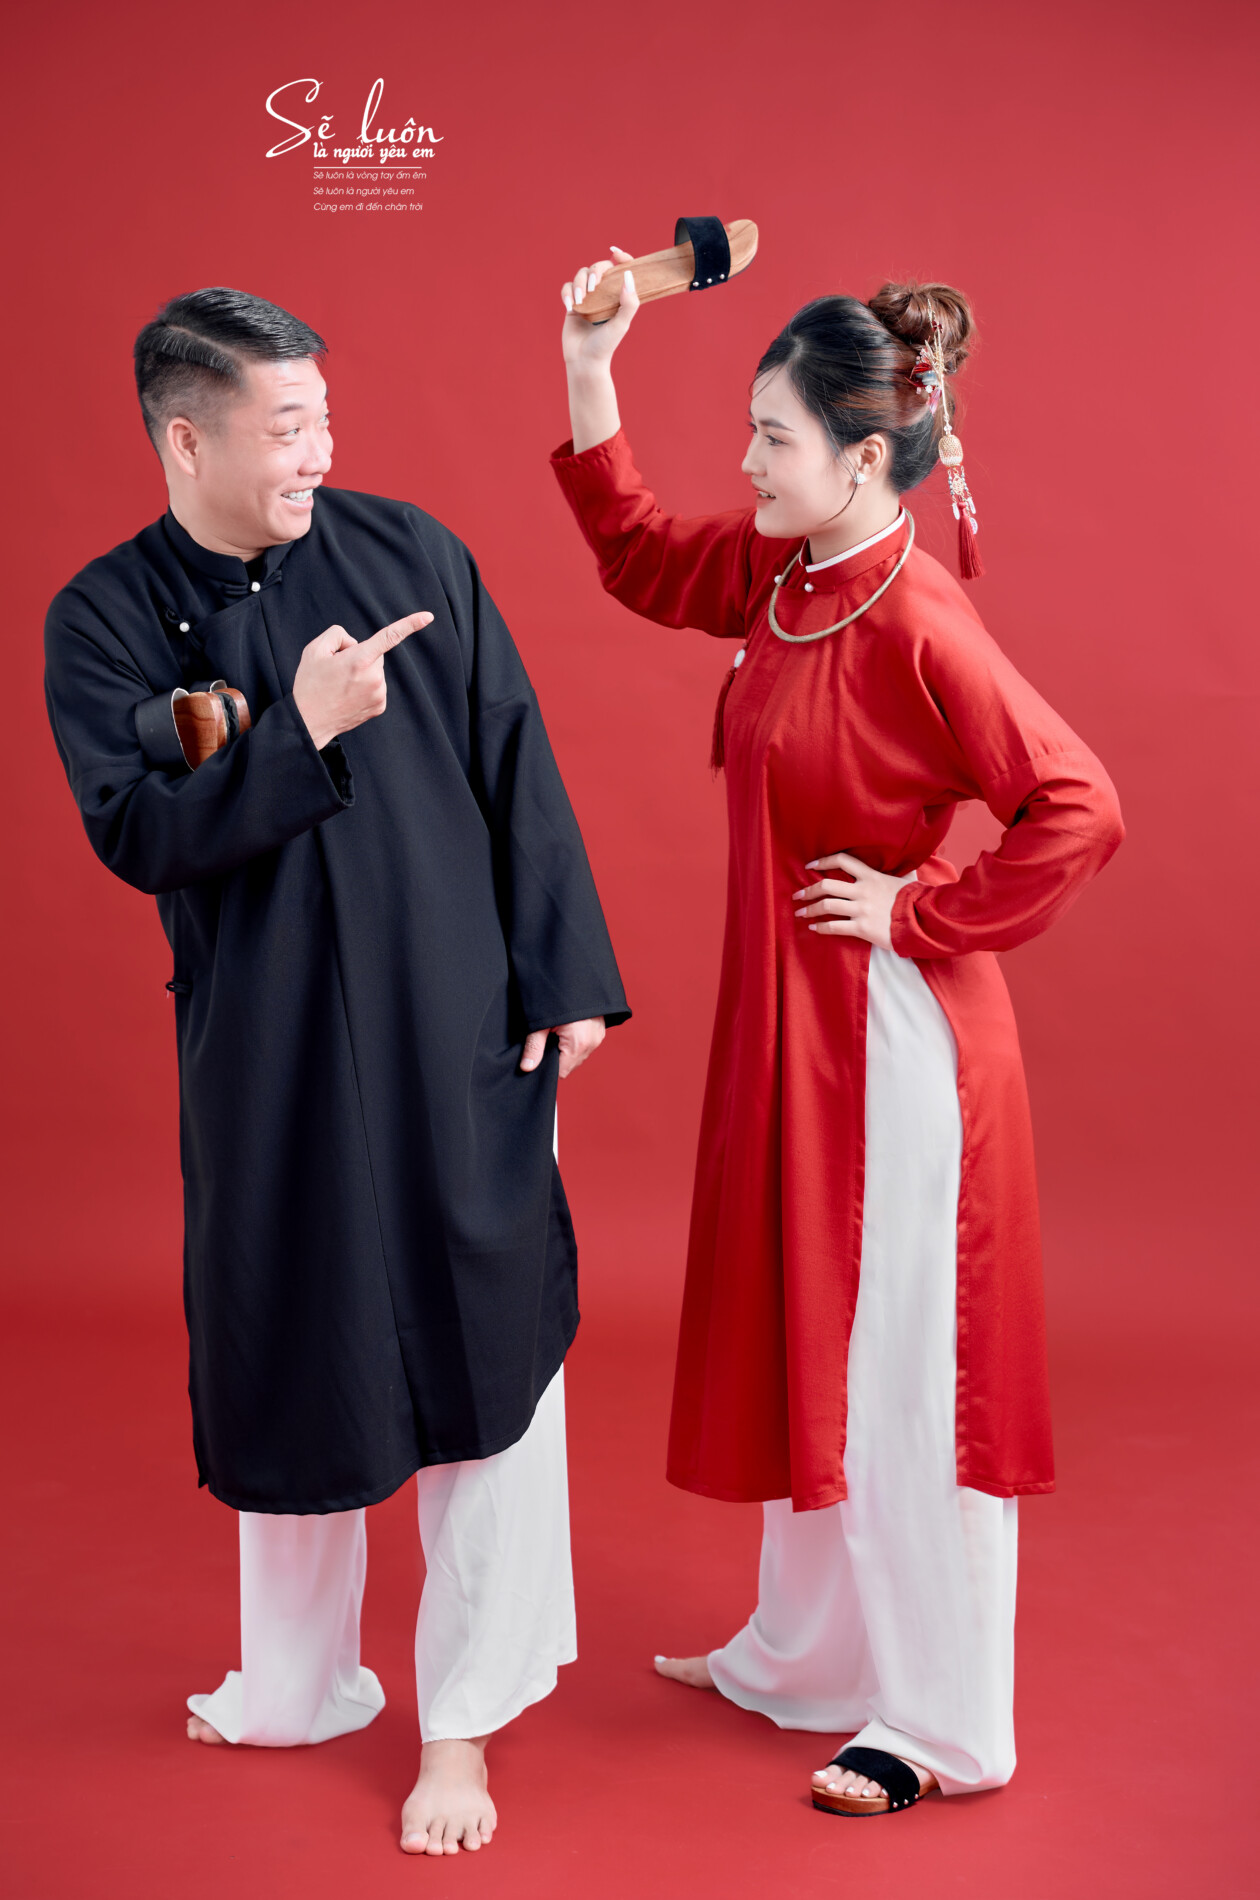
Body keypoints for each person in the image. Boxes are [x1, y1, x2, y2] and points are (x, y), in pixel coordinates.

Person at [44, 287, 629, 1855]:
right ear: (187, 440)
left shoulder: (412, 549)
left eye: (322, 418)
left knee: (489, 1363)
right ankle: (296, 1682)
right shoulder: (100, 617)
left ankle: (462, 1725)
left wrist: (567, 975)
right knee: (297, 1351)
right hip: (272, 1047)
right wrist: (294, 730)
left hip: (459, 1029)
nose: (318, 451)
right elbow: (138, 833)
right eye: (285, 426)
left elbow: (515, 750)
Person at [552, 253, 1122, 1814]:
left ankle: (944, 1723)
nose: (745, 462)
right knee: (813, 1334)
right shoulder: (785, 573)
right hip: (791, 1033)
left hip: (889, 1047)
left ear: (865, 456)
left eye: (772, 437)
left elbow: (1079, 806)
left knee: (902, 1371)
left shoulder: (918, 617)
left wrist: (923, 912)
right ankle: (806, 1658)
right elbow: (638, 554)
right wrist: (591, 365)